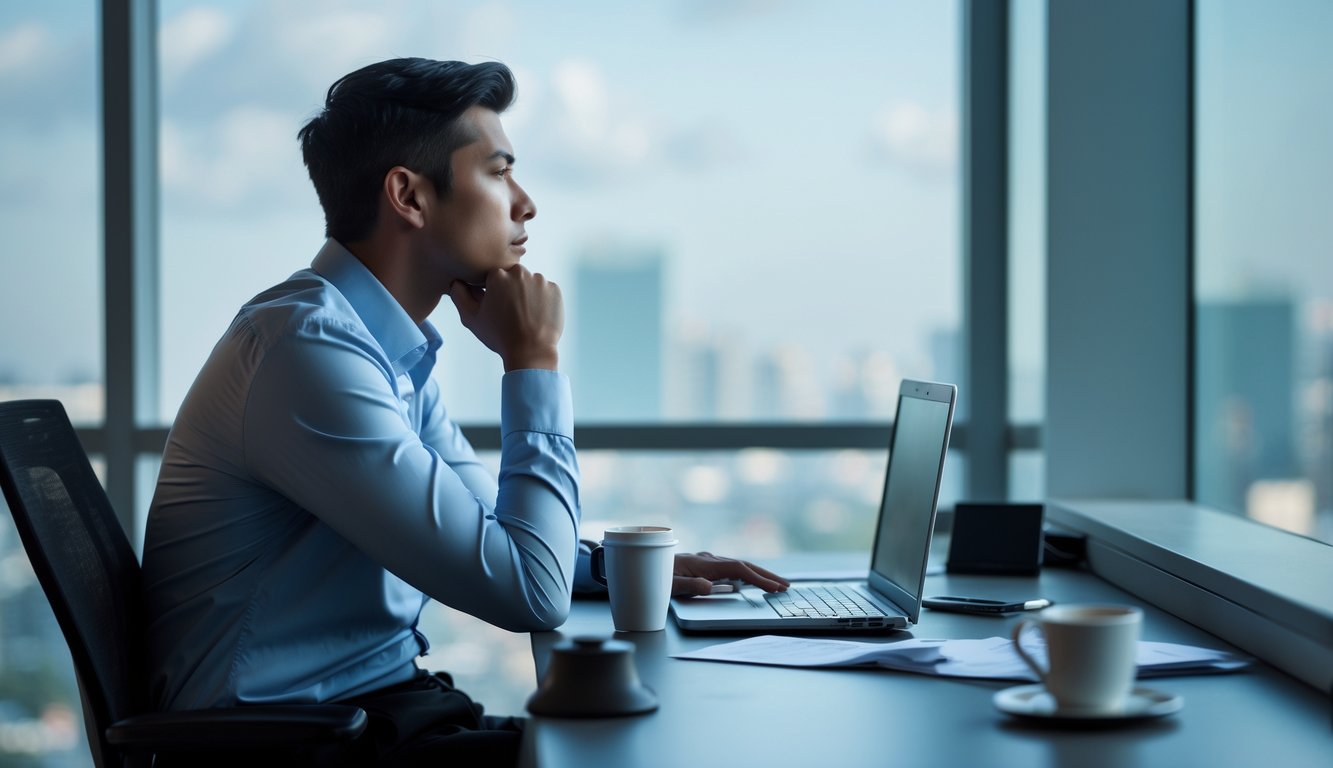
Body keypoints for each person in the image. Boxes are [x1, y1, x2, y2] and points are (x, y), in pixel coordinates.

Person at [140, 57, 788, 766]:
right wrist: (531, 360)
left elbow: (495, 542)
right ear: (409, 197)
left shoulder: (380, 348)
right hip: (285, 744)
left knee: (651, 739)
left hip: (377, 711)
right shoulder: (309, 353)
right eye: (498, 171)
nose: (525, 203)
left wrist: (612, 569)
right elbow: (527, 597)